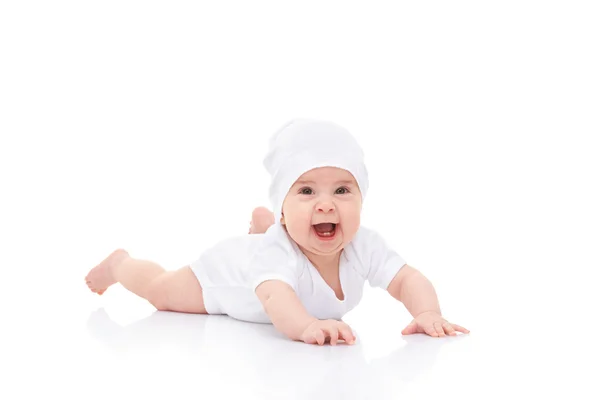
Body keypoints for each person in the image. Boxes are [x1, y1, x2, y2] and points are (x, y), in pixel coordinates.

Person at [85, 118, 470, 346]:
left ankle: (262, 228)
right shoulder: (276, 259)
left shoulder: (363, 244)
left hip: (273, 243)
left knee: (281, 243)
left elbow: (407, 279)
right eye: (305, 191)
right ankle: (121, 264)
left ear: (361, 198)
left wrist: (428, 312)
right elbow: (277, 297)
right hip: (227, 275)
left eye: (342, 190)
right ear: (283, 207)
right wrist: (307, 326)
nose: (326, 204)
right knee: (162, 290)